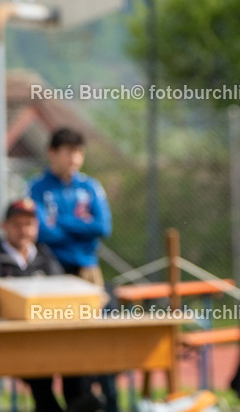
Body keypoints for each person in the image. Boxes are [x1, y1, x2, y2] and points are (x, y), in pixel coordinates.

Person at [28, 127, 117, 412]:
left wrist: (61, 222)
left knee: (91, 343)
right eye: (69, 152)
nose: (75, 159)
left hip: (88, 272)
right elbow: (42, 231)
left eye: (79, 153)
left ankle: (97, 401)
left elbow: (102, 226)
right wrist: (81, 227)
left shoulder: (90, 187)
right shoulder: (37, 188)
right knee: (53, 342)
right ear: (52, 153)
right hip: (52, 275)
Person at [0, 197, 67, 412]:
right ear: (5, 226)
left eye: (28, 224)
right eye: (17, 225)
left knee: (76, 362)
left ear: (36, 227)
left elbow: (61, 293)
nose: (23, 230)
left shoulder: (45, 257)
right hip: (8, 340)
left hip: (45, 336)